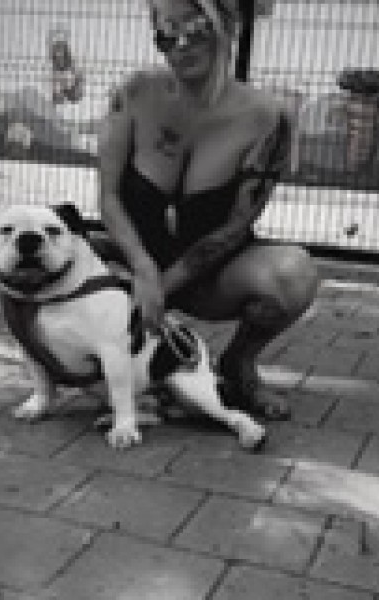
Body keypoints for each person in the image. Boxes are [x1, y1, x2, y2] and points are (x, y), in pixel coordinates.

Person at [97, 0, 318, 419]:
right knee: (52, 248)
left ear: (225, 27)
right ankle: (92, 362)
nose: (181, 45)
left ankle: (238, 364)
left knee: (295, 273)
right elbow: (108, 198)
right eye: (167, 33)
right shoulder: (135, 93)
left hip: (210, 277)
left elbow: (235, 228)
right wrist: (143, 269)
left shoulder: (268, 119)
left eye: (195, 28)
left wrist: (162, 288)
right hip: (133, 264)